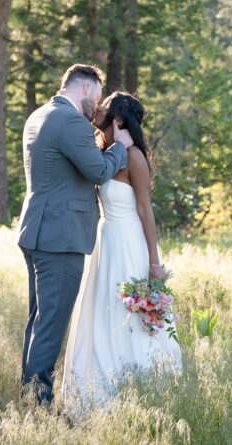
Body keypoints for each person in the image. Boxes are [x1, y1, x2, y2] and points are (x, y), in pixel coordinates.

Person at [16, 64, 134, 406]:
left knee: (40, 320)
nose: (96, 106)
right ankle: (40, 405)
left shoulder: (38, 115)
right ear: (85, 88)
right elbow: (98, 170)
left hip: (37, 231)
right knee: (51, 323)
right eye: (96, 97)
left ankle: (29, 396)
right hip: (60, 237)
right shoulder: (71, 121)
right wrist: (120, 147)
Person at [61, 91, 182, 410]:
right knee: (102, 312)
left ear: (117, 119)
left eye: (105, 108)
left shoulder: (134, 157)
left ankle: (141, 388)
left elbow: (145, 209)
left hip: (129, 243)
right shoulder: (102, 151)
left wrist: (154, 263)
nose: (98, 110)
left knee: (128, 314)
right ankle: (97, 391)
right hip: (105, 242)